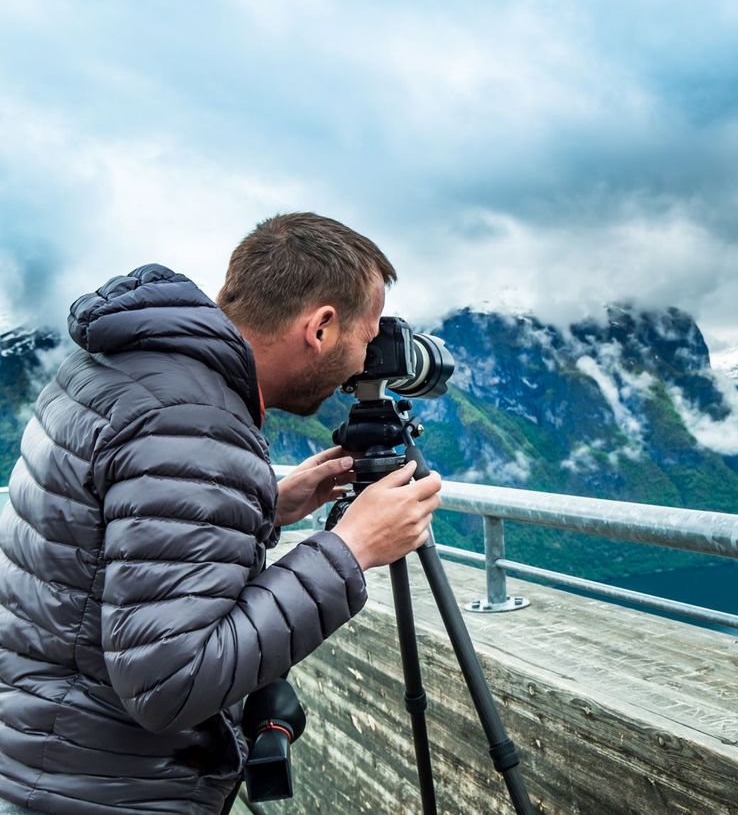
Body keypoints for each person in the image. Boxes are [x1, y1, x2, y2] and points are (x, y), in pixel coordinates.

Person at [0, 213, 441, 813]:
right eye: (365, 339)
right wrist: (351, 550)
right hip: (109, 788)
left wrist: (266, 506)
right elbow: (170, 684)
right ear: (321, 327)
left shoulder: (126, 365)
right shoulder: (195, 425)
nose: (361, 366)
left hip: (47, 752)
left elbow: (102, 538)